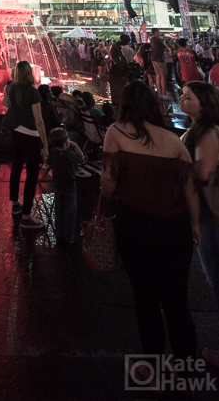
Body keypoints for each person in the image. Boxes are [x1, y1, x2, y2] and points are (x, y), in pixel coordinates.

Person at [101, 81, 199, 360]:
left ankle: (154, 370)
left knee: (145, 299)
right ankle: (186, 374)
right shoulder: (173, 141)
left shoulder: (116, 131)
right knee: (177, 301)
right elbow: (190, 188)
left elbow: (108, 179)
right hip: (175, 228)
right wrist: (194, 224)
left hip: (136, 226)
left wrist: (109, 193)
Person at [180, 81, 219, 369]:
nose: (181, 98)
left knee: (216, 279)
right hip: (207, 213)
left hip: (210, 215)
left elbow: (203, 174)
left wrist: (174, 165)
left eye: (188, 96)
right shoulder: (198, 129)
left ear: (203, 103)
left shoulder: (207, 132)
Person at [3, 60, 49, 229]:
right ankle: (26, 218)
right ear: (29, 73)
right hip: (30, 135)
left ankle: (16, 204)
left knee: (16, 167)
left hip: (15, 132)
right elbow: (39, 121)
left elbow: (6, 104)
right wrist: (45, 145)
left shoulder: (11, 87)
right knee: (31, 175)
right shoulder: (33, 92)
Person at [47, 127, 84, 244]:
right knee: (70, 212)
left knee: (59, 210)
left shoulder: (52, 153)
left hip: (57, 185)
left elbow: (48, 162)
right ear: (65, 142)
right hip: (70, 186)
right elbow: (82, 158)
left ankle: (59, 235)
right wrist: (75, 145)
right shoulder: (71, 154)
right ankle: (69, 237)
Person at [150, 28, 169, 98]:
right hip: (159, 59)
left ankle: (159, 92)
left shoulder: (152, 40)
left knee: (158, 75)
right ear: (155, 32)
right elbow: (166, 49)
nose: (159, 32)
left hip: (153, 58)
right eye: (158, 31)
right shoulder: (158, 40)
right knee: (163, 76)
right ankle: (164, 93)